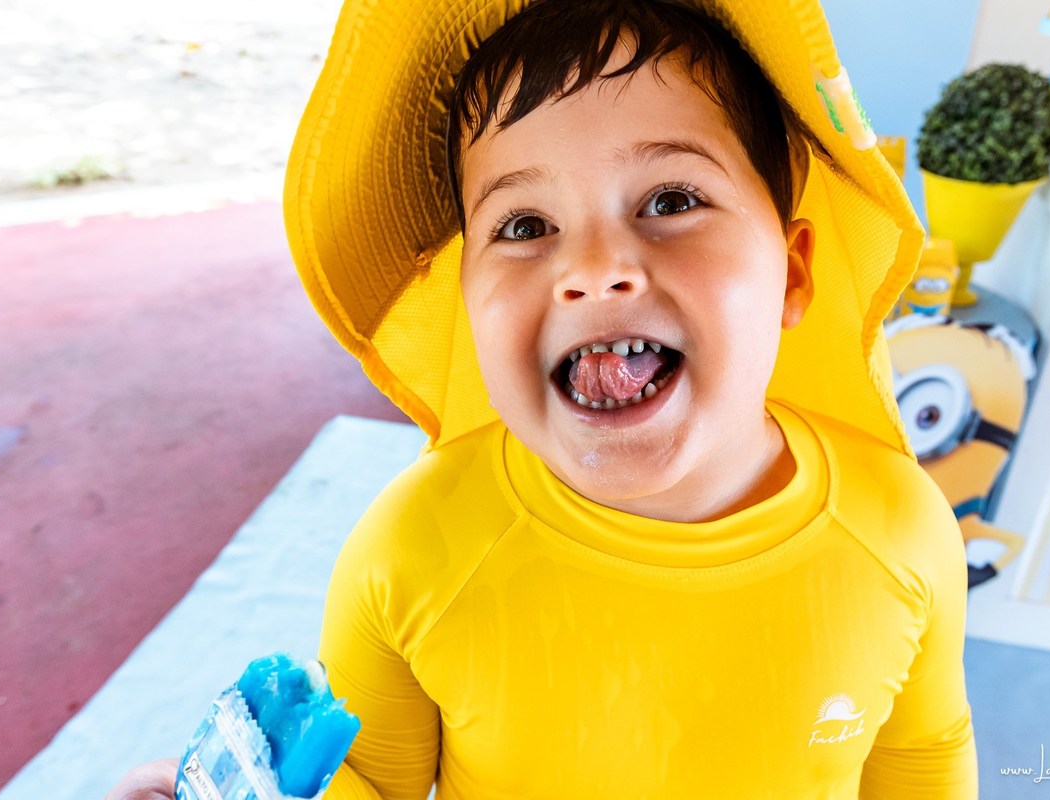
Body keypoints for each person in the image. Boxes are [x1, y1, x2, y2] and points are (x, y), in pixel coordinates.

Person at [108, 0, 977, 797]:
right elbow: (363, 779)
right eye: (525, 225)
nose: (595, 268)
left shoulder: (900, 532)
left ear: (790, 272)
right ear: (464, 301)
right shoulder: (412, 551)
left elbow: (926, 756)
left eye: (671, 199)